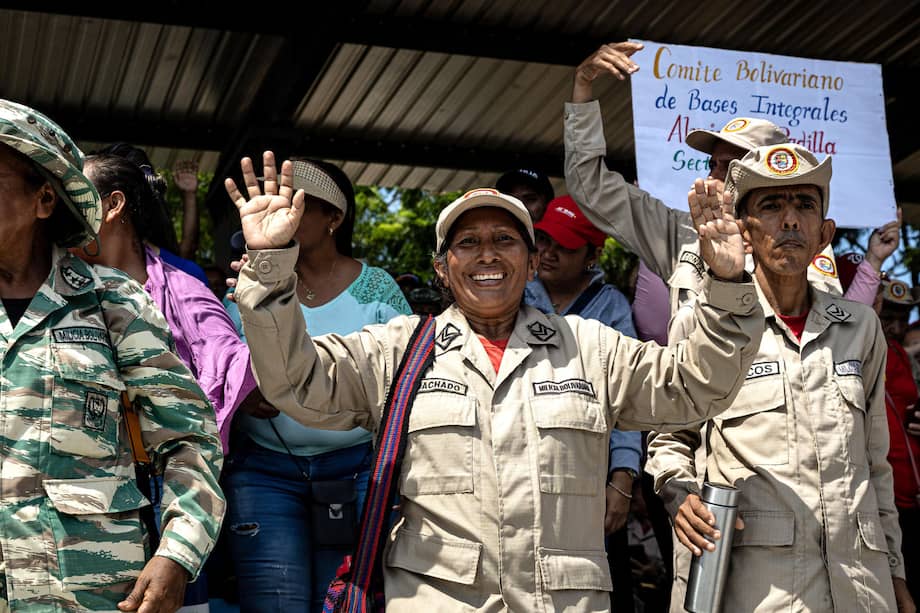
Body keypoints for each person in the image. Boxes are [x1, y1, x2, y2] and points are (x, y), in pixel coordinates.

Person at [227, 150, 765, 611]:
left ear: (531, 264)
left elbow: (696, 386)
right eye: (468, 242)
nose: (487, 254)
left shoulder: (591, 347)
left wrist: (725, 282)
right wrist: (272, 265)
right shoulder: (399, 349)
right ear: (442, 269)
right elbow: (296, 383)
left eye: (505, 240)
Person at [566, 41, 898, 608]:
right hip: (736, 536)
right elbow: (593, 189)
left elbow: (853, 438)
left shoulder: (820, 281)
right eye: (712, 162)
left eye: (732, 162)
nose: (717, 174)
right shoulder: (682, 236)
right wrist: (582, 96)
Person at [648, 143, 914, 612]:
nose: (790, 220)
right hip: (754, 589)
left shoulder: (860, 327)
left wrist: (893, 571)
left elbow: (876, 466)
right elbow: (671, 438)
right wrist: (680, 492)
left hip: (859, 588)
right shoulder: (703, 322)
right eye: (771, 206)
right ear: (745, 234)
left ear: (824, 233)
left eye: (804, 206)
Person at [0, 100, 224, 611]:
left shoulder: (112, 303)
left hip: (91, 593)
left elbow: (190, 440)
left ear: (44, 200)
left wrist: (177, 554)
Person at [223, 158, 412, 610]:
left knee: (348, 602)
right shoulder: (254, 280)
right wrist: (243, 394)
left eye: (298, 202)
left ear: (334, 219)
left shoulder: (378, 288)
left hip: (359, 472)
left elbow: (408, 376)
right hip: (264, 472)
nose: (280, 209)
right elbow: (227, 359)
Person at [523, 194, 643, 610]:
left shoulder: (611, 307)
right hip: (524, 465)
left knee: (602, 582)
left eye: (565, 246)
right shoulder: (515, 294)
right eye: (544, 241)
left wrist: (624, 476)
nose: (549, 253)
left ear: (593, 254)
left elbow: (627, 397)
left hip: (591, 473)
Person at [873, 278, 920, 604]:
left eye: (903, 317)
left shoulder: (902, 355)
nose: (896, 325)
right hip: (887, 502)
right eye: (889, 315)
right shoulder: (868, 350)